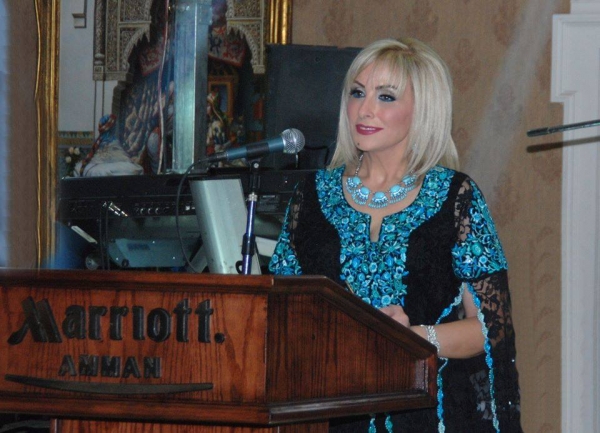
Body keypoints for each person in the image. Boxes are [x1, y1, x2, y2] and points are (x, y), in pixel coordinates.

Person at [268, 38, 522, 432]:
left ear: (423, 110)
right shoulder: (312, 195)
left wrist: (412, 339)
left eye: (386, 97)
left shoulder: (455, 195)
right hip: (332, 414)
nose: (365, 109)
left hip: (431, 415)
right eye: (357, 93)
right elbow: (279, 312)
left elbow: (490, 328)